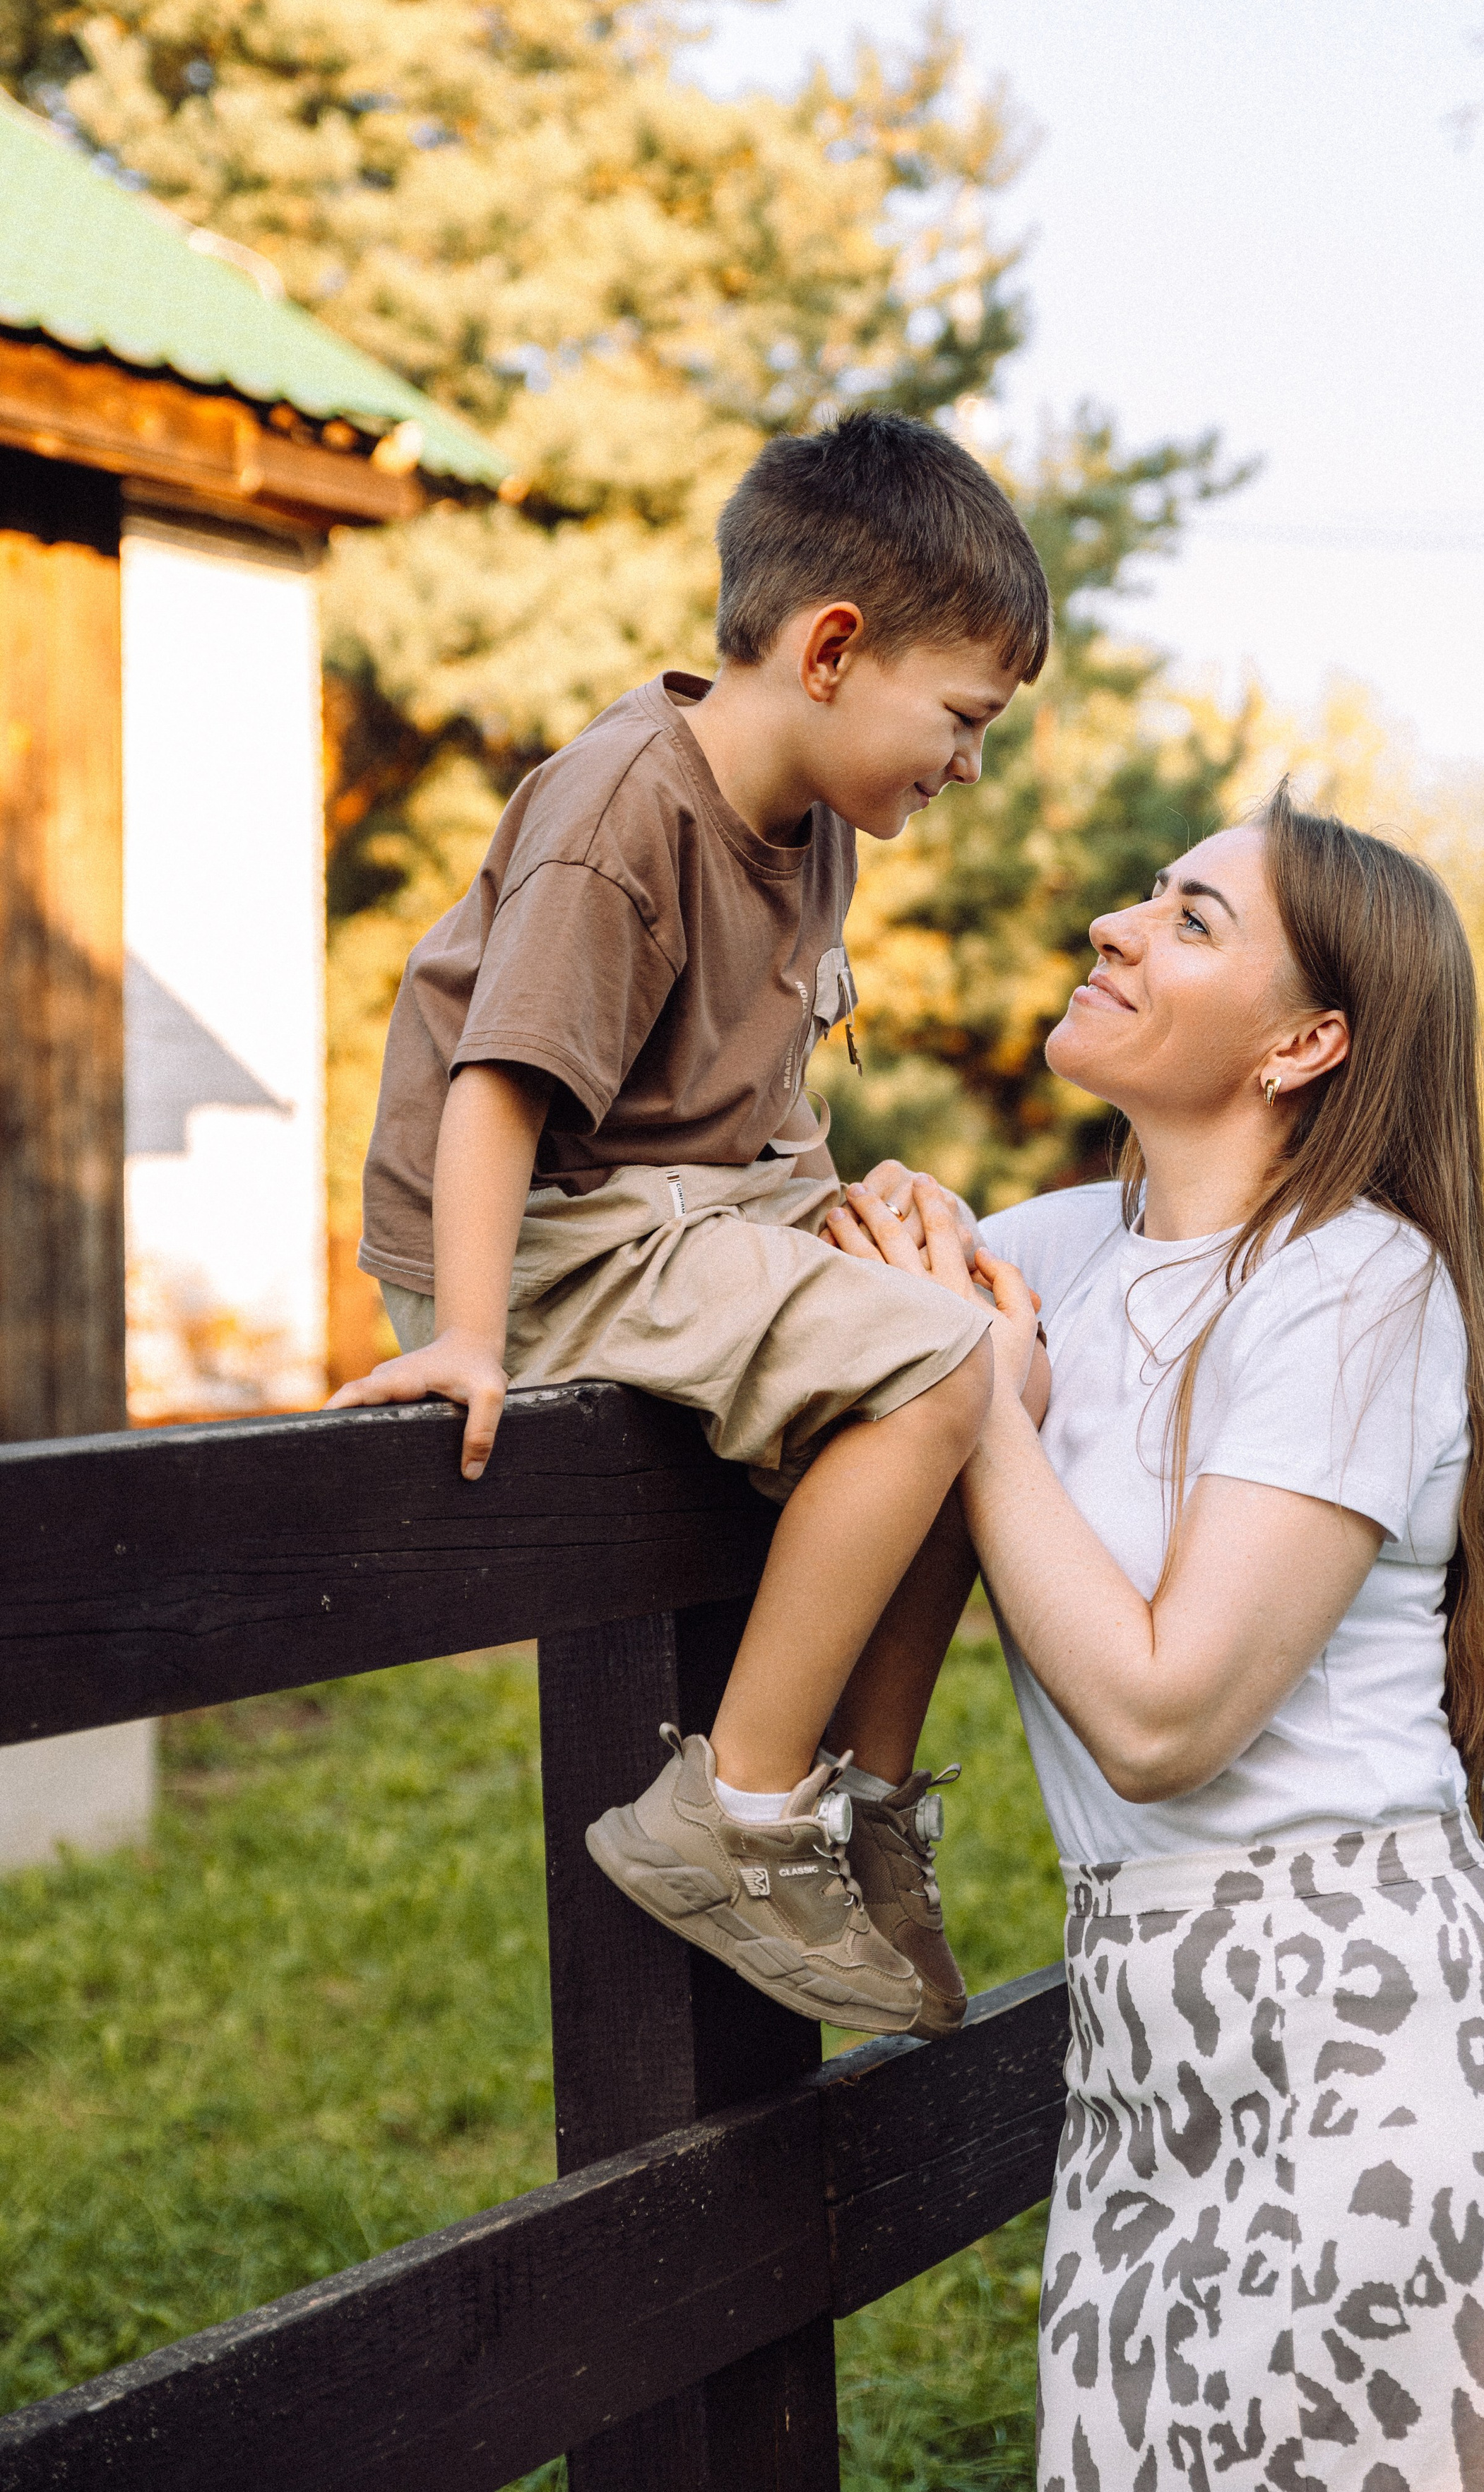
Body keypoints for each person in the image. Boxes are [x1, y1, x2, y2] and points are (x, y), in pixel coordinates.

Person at [822, 786, 1484, 2487]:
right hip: (1141, 2057)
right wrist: (864, 1233)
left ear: (1302, 1043)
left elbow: (1160, 1717)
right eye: (1143, 892)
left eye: (1193, 919)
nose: (1116, 923)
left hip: (1373, 2040)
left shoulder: (1356, 1283)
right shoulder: (1042, 1255)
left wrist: (973, 1402)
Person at [326, 412, 1052, 2043]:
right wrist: (461, 1333)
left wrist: (845, 1195)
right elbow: (501, 1091)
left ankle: (866, 1808)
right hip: (536, 1240)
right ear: (833, 648)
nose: (965, 763)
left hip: (680, 1211)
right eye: (960, 718)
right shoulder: (621, 812)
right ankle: (732, 1812)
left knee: (994, 1346)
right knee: (932, 1367)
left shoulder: (813, 830)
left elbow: (745, 1091)